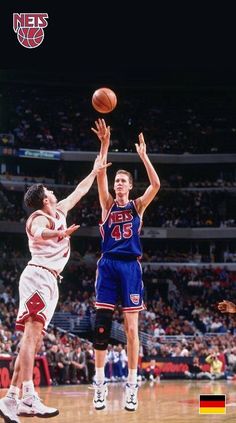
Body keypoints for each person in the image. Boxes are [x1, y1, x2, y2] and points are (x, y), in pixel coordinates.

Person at [0, 155, 110, 423]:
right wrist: (59, 234)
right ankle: (28, 394)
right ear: (44, 199)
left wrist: (96, 169)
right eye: (48, 191)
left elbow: (80, 191)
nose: (52, 191)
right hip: (37, 276)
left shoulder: (59, 210)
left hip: (51, 280)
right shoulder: (37, 218)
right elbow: (39, 232)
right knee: (31, 336)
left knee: (33, 339)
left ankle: (11, 399)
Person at [91, 118, 160, 411]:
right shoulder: (107, 204)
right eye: (116, 181)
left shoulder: (137, 206)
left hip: (131, 267)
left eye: (123, 181)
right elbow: (99, 176)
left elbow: (156, 184)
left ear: (130, 187)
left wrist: (144, 157)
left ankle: (132, 384)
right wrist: (104, 144)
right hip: (108, 264)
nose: (118, 184)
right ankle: (99, 385)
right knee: (102, 327)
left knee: (132, 329)